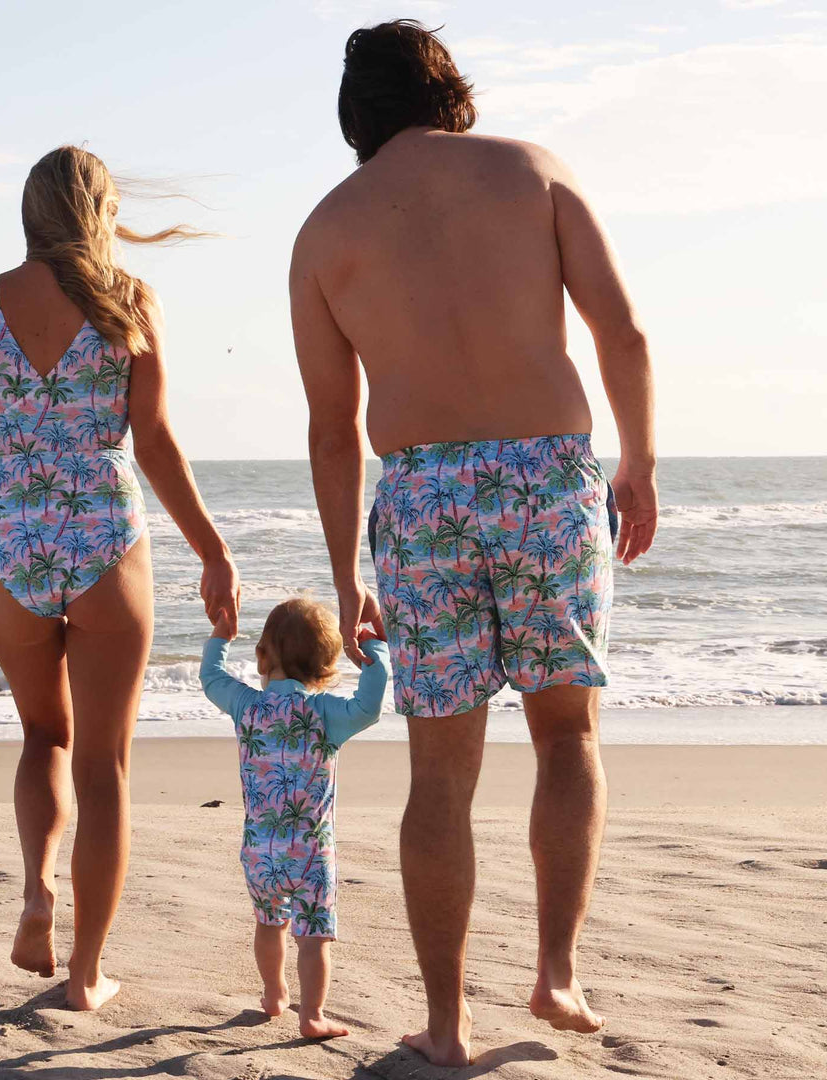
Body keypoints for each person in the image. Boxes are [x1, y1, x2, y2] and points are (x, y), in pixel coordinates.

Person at [289, 20, 658, 1067]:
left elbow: (329, 426)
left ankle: (448, 1027)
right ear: (449, 89)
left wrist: (345, 574)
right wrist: (638, 464)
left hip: (418, 497)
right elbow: (621, 331)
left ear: (355, 117)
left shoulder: (325, 232)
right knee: (566, 740)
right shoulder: (532, 171)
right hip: (545, 479)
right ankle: (555, 973)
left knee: (440, 771)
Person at [0, 145, 240, 1011]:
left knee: (41, 737)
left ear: (29, 214)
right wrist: (211, 548)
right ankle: (87, 973)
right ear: (99, 212)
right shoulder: (130, 303)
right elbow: (159, 444)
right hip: (105, 541)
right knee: (105, 764)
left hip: (12, 539)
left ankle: (36, 892)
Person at [199, 598, 390, 1039]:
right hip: (310, 855)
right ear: (328, 664)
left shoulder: (247, 705)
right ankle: (312, 1015)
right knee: (313, 936)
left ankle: (272, 994)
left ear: (262, 656)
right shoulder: (326, 715)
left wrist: (220, 638)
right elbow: (370, 705)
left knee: (270, 924)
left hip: (258, 851)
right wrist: (373, 648)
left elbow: (210, 678)